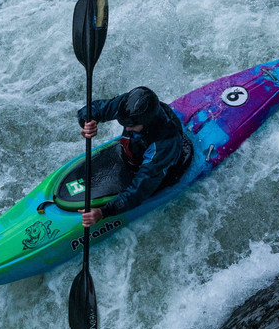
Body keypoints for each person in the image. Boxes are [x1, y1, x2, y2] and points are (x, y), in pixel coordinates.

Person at [77, 86, 192, 227]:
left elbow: (141, 188)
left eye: (131, 125)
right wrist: (87, 121)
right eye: (125, 124)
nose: (127, 128)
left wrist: (103, 212)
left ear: (147, 122)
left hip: (159, 172)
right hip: (135, 153)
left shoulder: (163, 143)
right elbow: (96, 108)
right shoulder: (127, 107)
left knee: (147, 178)